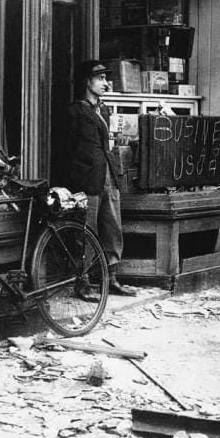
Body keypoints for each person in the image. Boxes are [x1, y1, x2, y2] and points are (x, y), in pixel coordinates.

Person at [64, 60, 136, 299]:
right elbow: (67, 149)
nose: (106, 83)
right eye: (101, 79)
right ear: (87, 81)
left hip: (108, 176)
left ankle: (110, 278)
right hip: (87, 179)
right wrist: (74, 182)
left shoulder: (103, 109)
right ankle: (82, 282)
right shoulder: (75, 111)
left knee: (112, 228)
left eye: (106, 79)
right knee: (86, 230)